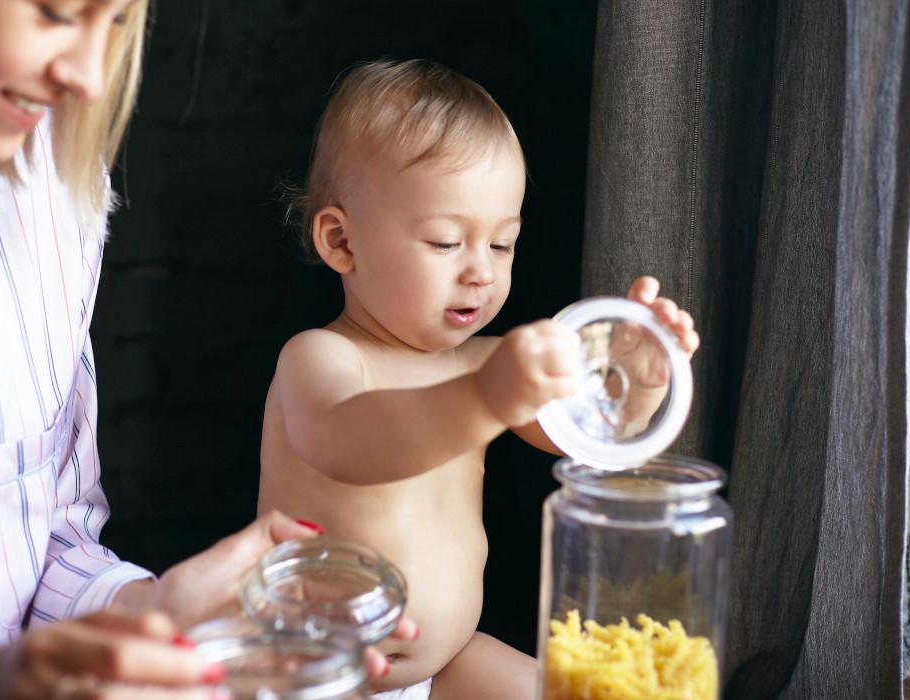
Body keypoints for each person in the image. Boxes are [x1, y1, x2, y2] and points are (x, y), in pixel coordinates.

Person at [0, 3, 412, 697]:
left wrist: (159, 617)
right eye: (57, 12)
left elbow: (44, 545)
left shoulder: (50, 195)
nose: (90, 78)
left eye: (119, 21)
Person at [258, 59, 700, 699]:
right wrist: (486, 398)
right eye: (445, 243)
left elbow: (589, 436)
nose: (480, 273)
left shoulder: (480, 365)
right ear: (341, 242)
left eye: (502, 245)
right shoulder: (320, 358)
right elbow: (352, 444)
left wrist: (637, 381)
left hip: (444, 669)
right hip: (315, 680)